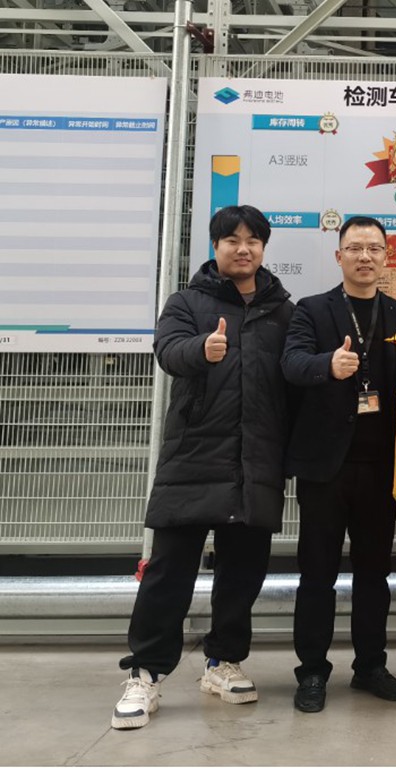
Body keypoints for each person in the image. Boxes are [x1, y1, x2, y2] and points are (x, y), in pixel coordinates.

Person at [111, 205, 294, 729]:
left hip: (256, 459)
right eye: (232, 239)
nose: (243, 248)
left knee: (243, 571)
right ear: (215, 247)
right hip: (193, 455)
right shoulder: (187, 302)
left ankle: (222, 662)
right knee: (169, 571)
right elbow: (167, 351)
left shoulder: (283, 310)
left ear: (263, 247)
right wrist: (202, 348)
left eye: (253, 239)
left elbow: (294, 377)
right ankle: (146, 672)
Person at [283, 216, 396, 713]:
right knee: (317, 574)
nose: (365, 257)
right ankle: (312, 671)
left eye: (374, 249)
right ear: (339, 256)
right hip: (325, 466)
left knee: (373, 575)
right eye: (355, 248)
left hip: (380, 467)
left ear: (386, 258)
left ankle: (370, 666)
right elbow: (291, 364)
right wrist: (328, 365)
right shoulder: (312, 310)